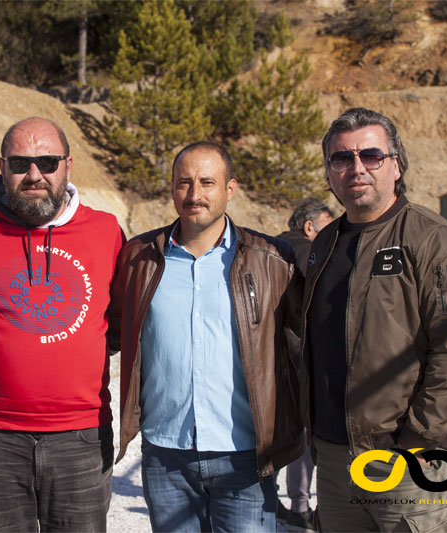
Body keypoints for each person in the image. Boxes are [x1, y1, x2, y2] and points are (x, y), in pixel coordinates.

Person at [301, 107, 447, 532]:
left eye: (371, 155)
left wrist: (420, 441)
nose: (356, 168)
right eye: (341, 158)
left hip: (404, 459)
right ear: (329, 172)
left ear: (396, 164)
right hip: (333, 459)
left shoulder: (430, 237)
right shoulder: (325, 244)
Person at [0, 116, 125, 531]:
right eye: (20, 164)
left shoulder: (106, 231)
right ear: (2, 167)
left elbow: (121, 317)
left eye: (47, 161)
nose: (34, 174)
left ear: (68, 165)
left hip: (82, 437)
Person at [109, 141, 304, 532]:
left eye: (207, 182)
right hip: (166, 455)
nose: (194, 194)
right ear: (171, 188)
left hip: (245, 456)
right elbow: (109, 333)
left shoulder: (273, 260)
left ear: (230, 188)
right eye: (184, 182)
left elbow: (303, 347)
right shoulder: (138, 258)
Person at [275, 197, 333, 531]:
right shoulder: (312, 254)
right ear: (309, 227)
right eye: (328, 222)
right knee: (307, 433)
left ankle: (283, 500)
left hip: (272, 360)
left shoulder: (272, 247)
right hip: (303, 359)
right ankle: (301, 506)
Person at [277, 197, 334, 276]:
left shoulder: (276, 241)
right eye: (327, 229)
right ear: (309, 227)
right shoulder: (309, 251)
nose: (331, 235)